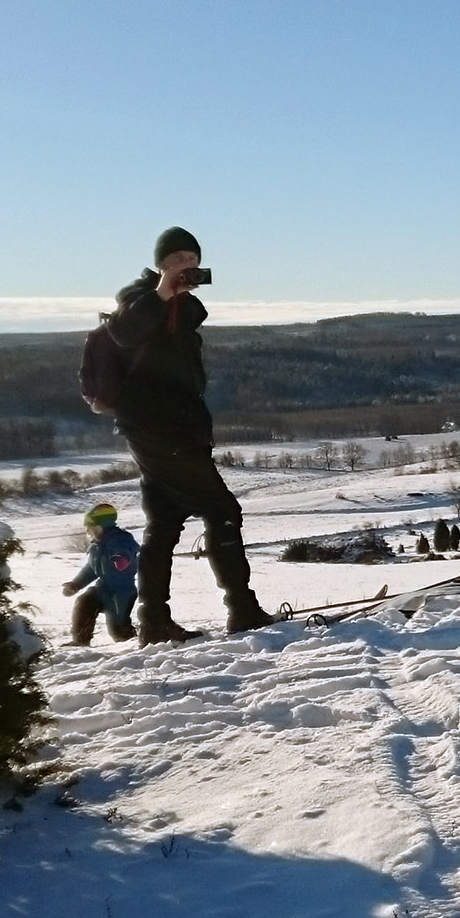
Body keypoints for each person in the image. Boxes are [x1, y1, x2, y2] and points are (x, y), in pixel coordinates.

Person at [106, 226, 272, 642]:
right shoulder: (139, 299)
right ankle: (242, 609)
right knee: (223, 511)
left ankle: (154, 621)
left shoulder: (185, 310)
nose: (186, 268)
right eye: (177, 261)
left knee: (163, 523)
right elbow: (123, 333)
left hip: (171, 428)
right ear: (161, 265)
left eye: (192, 262)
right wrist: (162, 293)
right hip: (160, 429)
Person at [61, 503, 139, 646]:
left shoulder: (120, 539)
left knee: (118, 630)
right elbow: (91, 569)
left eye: (90, 527)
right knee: (84, 602)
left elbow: (127, 550)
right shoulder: (96, 546)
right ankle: (80, 641)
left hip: (121, 593)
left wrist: (122, 558)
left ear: (101, 526)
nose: (88, 531)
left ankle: (135, 643)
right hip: (102, 589)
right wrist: (76, 584)